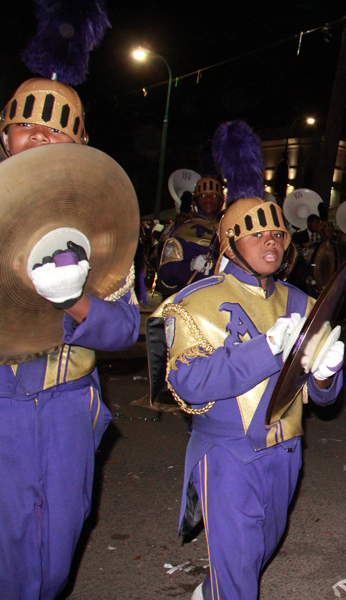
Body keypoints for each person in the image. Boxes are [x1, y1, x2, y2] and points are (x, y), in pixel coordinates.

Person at [0, 8, 141, 597]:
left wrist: (79, 302)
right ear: (4, 133)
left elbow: (128, 330)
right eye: (27, 124)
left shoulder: (103, 226)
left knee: (54, 558)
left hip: (66, 406)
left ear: (79, 143)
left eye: (57, 127)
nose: (41, 135)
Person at [161, 193, 344, 600]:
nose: (271, 241)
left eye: (277, 233)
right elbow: (188, 385)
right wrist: (266, 349)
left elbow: (325, 400)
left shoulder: (304, 302)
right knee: (240, 562)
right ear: (229, 243)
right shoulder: (195, 302)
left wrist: (328, 375)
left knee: (261, 546)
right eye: (256, 233)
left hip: (287, 450)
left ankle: (213, 591)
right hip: (228, 453)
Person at [156, 176, 225, 297]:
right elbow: (165, 274)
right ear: (194, 201)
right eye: (203, 196)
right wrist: (191, 265)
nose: (208, 199)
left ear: (221, 201)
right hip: (192, 302)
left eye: (214, 196)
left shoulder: (230, 228)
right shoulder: (181, 231)